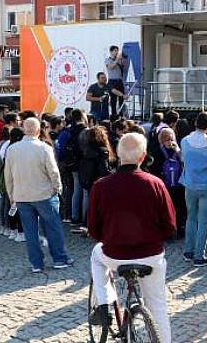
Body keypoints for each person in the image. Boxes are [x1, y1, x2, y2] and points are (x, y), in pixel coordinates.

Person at [88, 132, 176, 343]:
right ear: (143, 156)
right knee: (157, 305)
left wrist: (109, 238)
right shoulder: (155, 183)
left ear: (117, 155)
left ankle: (105, 303)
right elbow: (170, 226)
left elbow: (93, 229)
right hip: (150, 255)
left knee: (96, 256)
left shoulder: (101, 186)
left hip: (114, 254)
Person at [4, 118, 73, 273]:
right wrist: (58, 189)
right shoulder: (44, 148)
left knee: (30, 232)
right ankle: (60, 259)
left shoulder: (12, 149)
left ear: (23, 128)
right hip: (44, 194)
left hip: (21, 196)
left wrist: (12, 196)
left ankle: (36, 264)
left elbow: (8, 176)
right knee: (53, 228)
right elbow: (54, 173)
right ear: (38, 130)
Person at [179, 112, 207, 266]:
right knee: (204, 221)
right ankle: (199, 255)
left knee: (191, 217)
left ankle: (188, 251)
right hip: (206, 185)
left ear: (196, 123)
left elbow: (183, 159)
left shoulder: (184, 141)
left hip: (190, 184)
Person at [77, 126, 115, 233]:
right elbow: (104, 169)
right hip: (100, 180)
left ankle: (87, 224)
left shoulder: (86, 149)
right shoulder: (102, 151)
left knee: (92, 203)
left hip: (88, 180)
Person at [151, 128, 186, 238]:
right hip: (179, 184)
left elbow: (154, 168)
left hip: (163, 184)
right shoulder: (179, 149)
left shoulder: (157, 150)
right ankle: (180, 229)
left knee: (164, 208)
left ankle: (166, 231)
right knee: (179, 208)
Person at [105, 45, 128, 119]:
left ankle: (121, 115)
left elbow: (123, 68)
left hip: (119, 80)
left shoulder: (118, 60)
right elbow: (111, 67)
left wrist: (121, 61)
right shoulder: (108, 60)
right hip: (112, 80)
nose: (116, 52)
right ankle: (114, 115)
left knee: (121, 99)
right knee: (113, 99)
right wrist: (117, 60)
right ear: (111, 52)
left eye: (117, 51)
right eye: (115, 51)